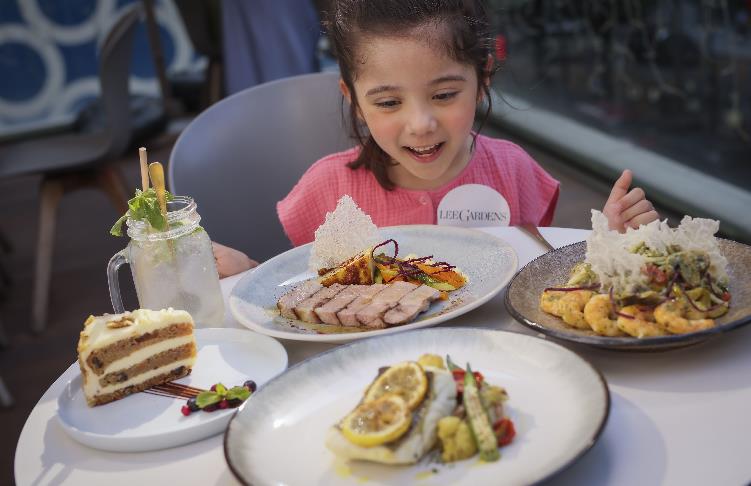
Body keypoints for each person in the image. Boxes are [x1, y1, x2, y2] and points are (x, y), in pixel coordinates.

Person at [215, 0, 659, 276]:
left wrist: (612, 247)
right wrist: (246, 272)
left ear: (482, 80)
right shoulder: (324, 188)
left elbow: (544, 278)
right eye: (389, 103)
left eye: (444, 94)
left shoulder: (514, 170)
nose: (421, 123)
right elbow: (300, 291)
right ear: (352, 99)